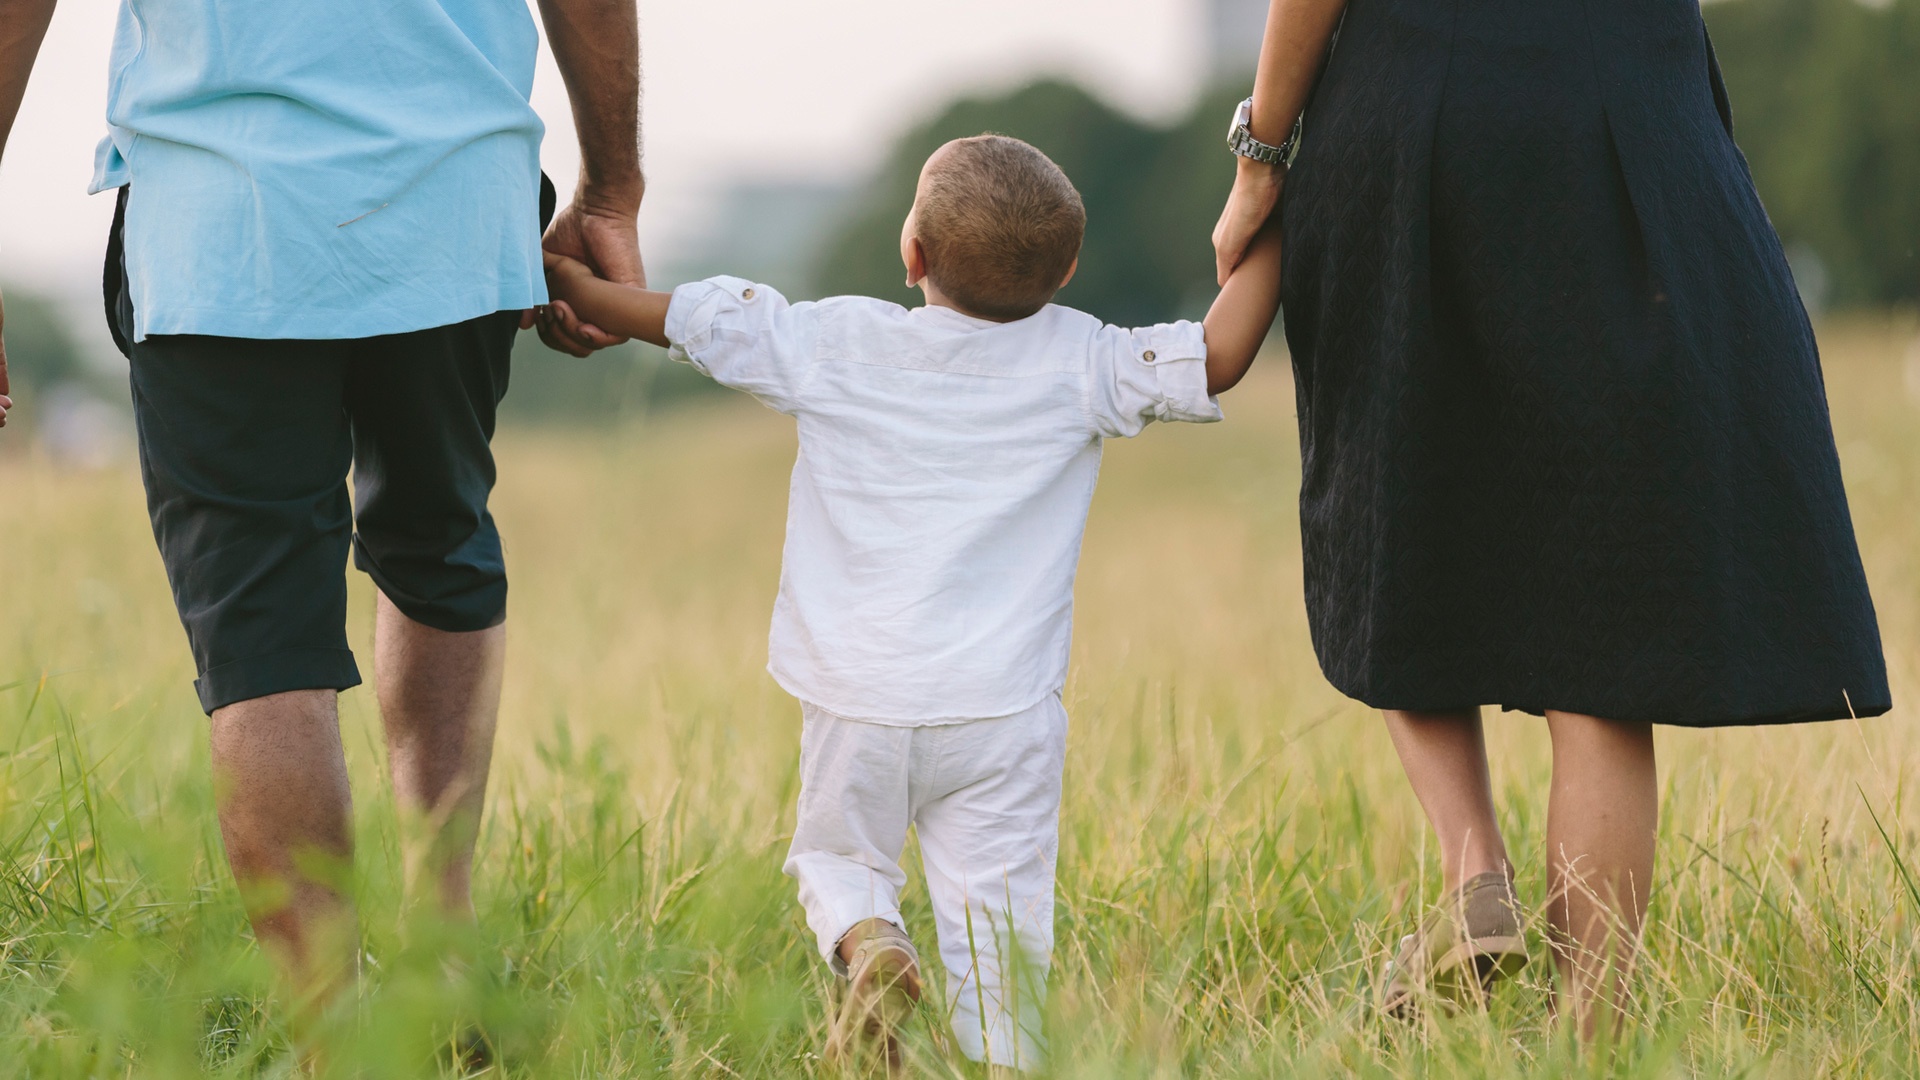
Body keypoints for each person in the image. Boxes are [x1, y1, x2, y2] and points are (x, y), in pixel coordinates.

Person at [1211, 0, 1889, 1037]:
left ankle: (1476, 870)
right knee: (1602, 624)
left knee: (1400, 511)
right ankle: (1594, 1037)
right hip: (1630, 107)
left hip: (1412, 106)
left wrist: (1261, 153)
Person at [542, 134, 1285, 1071]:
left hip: (858, 696)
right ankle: (1003, 1057)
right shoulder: (1083, 358)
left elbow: (690, 321)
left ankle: (871, 943)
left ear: (913, 254)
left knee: (838, 861)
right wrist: (1277, 218)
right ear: (1065, 270)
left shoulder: (839, 341)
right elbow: (1218, 355)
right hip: (1002, 710)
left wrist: (563, 277)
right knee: (1001, 921)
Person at [0, 0, 647, 1033]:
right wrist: (611, 187)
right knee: (437, 544)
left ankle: (332, 1040)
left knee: (262, 635)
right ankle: (445, 961)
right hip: (454, 191)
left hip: (221, 211)